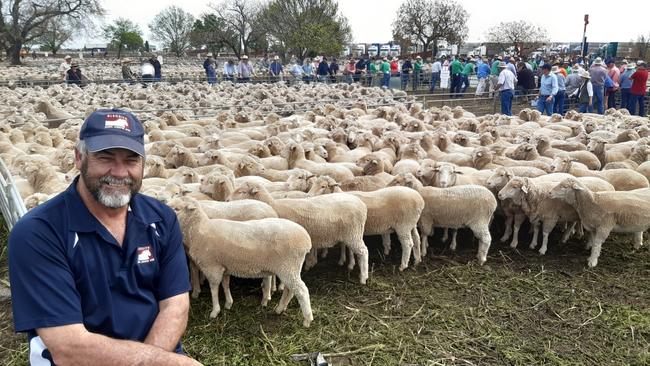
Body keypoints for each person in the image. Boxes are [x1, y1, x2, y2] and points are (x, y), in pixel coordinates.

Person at [8, 109, 201, 366]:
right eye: (105, 157)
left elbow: (175, 307)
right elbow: (68, 347)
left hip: (156, 354)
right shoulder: (38, 233)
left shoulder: (161, 219)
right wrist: (167, 362)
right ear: (79, 158)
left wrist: (153, 361)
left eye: (131, 160)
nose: (119, 172)